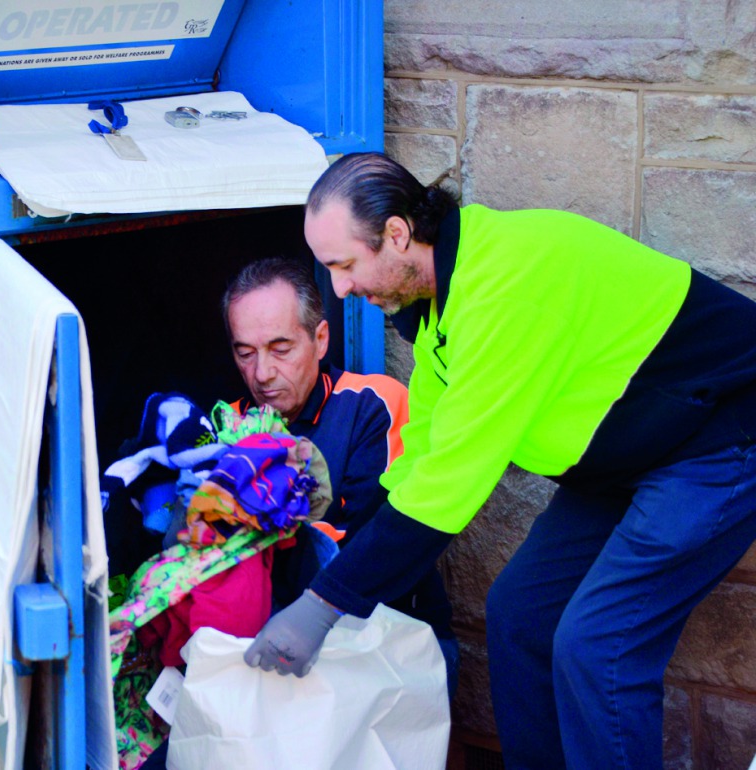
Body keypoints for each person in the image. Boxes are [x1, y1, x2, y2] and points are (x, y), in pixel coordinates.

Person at [244, 152, 756, 770]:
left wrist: (322, 606)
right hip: (635, 449)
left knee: (598, 647)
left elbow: (448, 490)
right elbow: (425, 456)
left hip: (718, 437)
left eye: (345, 265)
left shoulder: (501, 288)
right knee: (519, 617)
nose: (341, 288)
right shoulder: (438, 309)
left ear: (399, 235)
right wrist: (346, 566)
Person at [222, 257, 456, 673]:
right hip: (269, 654)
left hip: (390, 653)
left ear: (321, 338)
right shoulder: (227, 426)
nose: (262, 373)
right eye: (245, 353)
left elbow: (365, 544)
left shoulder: (373, 403)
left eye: (281, 349)